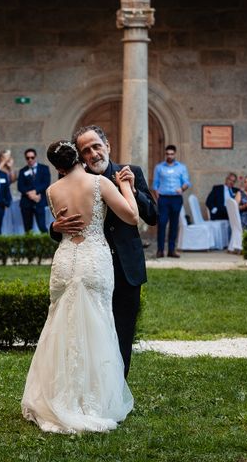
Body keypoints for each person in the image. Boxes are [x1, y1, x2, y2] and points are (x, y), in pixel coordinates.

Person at [21, 139, 139, 434]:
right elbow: (132, 216)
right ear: (78, 158)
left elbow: (62, 224)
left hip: (64, 260)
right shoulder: (98, 182)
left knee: (60, 324)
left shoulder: (51, 191)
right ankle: (92, 401)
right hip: (93, 259)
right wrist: (125, 187)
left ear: (57, 166)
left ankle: (56, 395)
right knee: (96, 323)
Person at [50, 125, 157, 378]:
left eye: (97, 146)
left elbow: (151, 216)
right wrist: (54, 227)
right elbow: (62, 223)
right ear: (80, 156)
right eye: (86, 150)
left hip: (125, 266)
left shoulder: (131, 172)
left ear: (107, 146)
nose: (94, 154)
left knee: (122, 331)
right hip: (90, 268)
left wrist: (132, 189)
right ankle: (90, 383)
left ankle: (117, 387)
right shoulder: (75, 180)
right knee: (88, 332)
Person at [152, 144, 190, 258]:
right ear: (165, 154)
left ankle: (172, 250)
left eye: (172, 154)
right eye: (168, 154)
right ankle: (160, 250)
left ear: (175, 154)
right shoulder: (159, 167)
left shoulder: (181, 167)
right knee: (162, 224)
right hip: (163, 199)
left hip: (176, 198)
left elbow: (187, 182)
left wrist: (182, 188)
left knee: (174, 224)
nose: (170, 156)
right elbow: (155, 184)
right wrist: (157, 195)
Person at [17, 148, 51, 232]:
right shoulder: (22, 171)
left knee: (42, 226)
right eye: (27, 158)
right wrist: (30, 195)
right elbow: (20, 186)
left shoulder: (44, 168)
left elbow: (46, 183)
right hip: (26, 203)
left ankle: (46, 244)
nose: (30, 160)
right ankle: (29, 245)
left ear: (35, 157)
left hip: (39, 201)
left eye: (32, 157)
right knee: (28, 228)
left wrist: (35, 192)